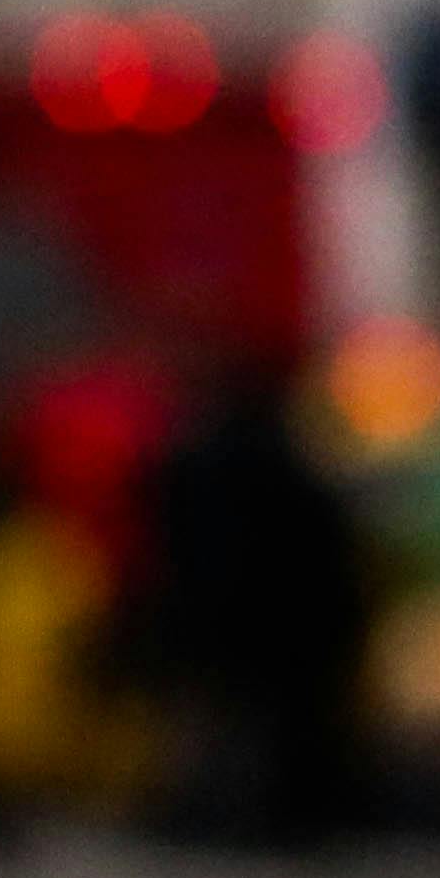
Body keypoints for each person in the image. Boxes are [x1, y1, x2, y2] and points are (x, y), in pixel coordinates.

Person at [131, 353, 379, 851]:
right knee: (261, 729)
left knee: (219, 723)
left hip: (221, 617)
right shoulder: (295, 466)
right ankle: (270, 817)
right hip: (282, 626)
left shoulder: (195, 457)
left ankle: (217, 814)